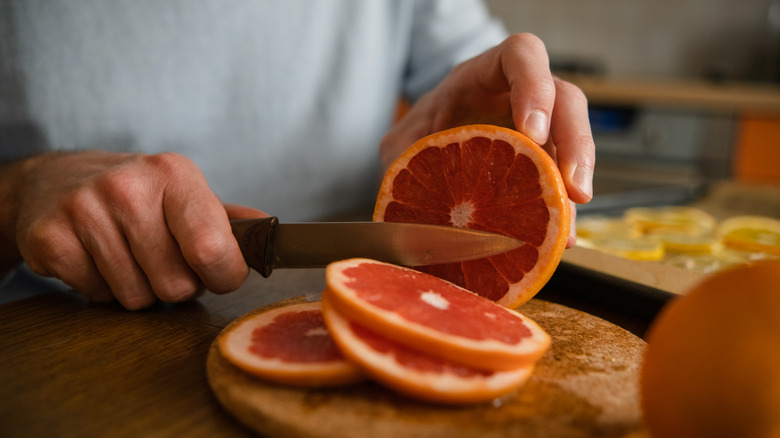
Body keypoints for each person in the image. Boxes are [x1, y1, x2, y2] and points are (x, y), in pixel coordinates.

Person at [0, 0, 594, 310]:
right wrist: (15, 195)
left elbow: (483, 77)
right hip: (48, 332)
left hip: (349, 304)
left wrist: (511, 141)